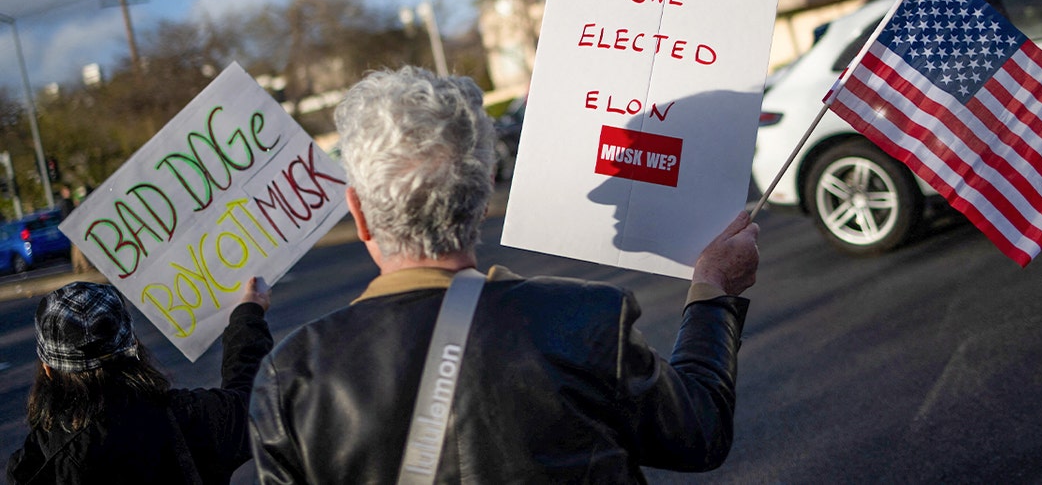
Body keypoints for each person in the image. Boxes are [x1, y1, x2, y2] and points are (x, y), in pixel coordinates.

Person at [250, 67, 760, 483]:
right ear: (481, 193)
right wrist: (713, 291)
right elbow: (700, 433)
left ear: (359, 214)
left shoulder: (291, 376)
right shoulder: (584, 319)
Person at [7, 278, 274, 484]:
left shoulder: (37, 466)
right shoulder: (187, 418)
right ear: (133, 347)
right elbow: (252, 405)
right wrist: (247, 315)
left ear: (48, 371)